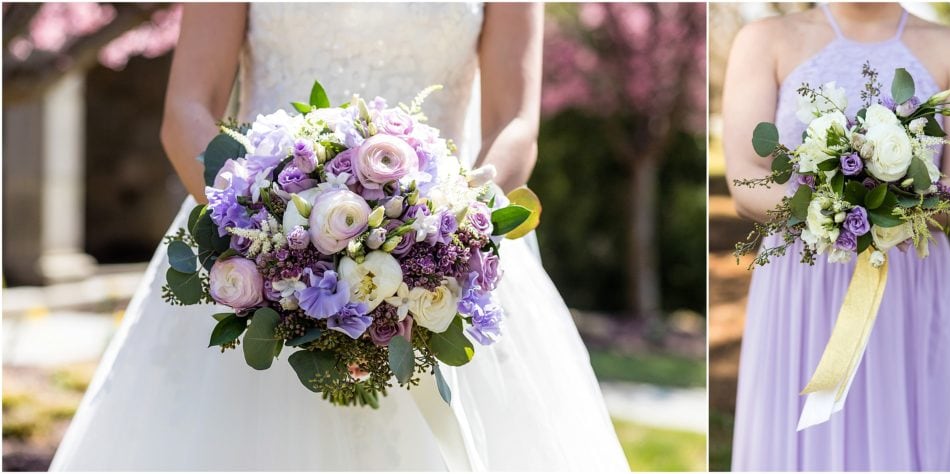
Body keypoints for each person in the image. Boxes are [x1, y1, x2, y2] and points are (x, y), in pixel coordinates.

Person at [50, 4, 628, 471]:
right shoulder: (254, 233)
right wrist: (260, 227)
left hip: (440, 253)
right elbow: (186, 109)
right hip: (251, 245)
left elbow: (515, 123)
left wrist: (451, 221)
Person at [723, 3, 950, 471]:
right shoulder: (764, 40)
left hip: (907, 283)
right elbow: (745, 178)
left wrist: (897, 202)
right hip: (802, 288)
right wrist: (834, 208)